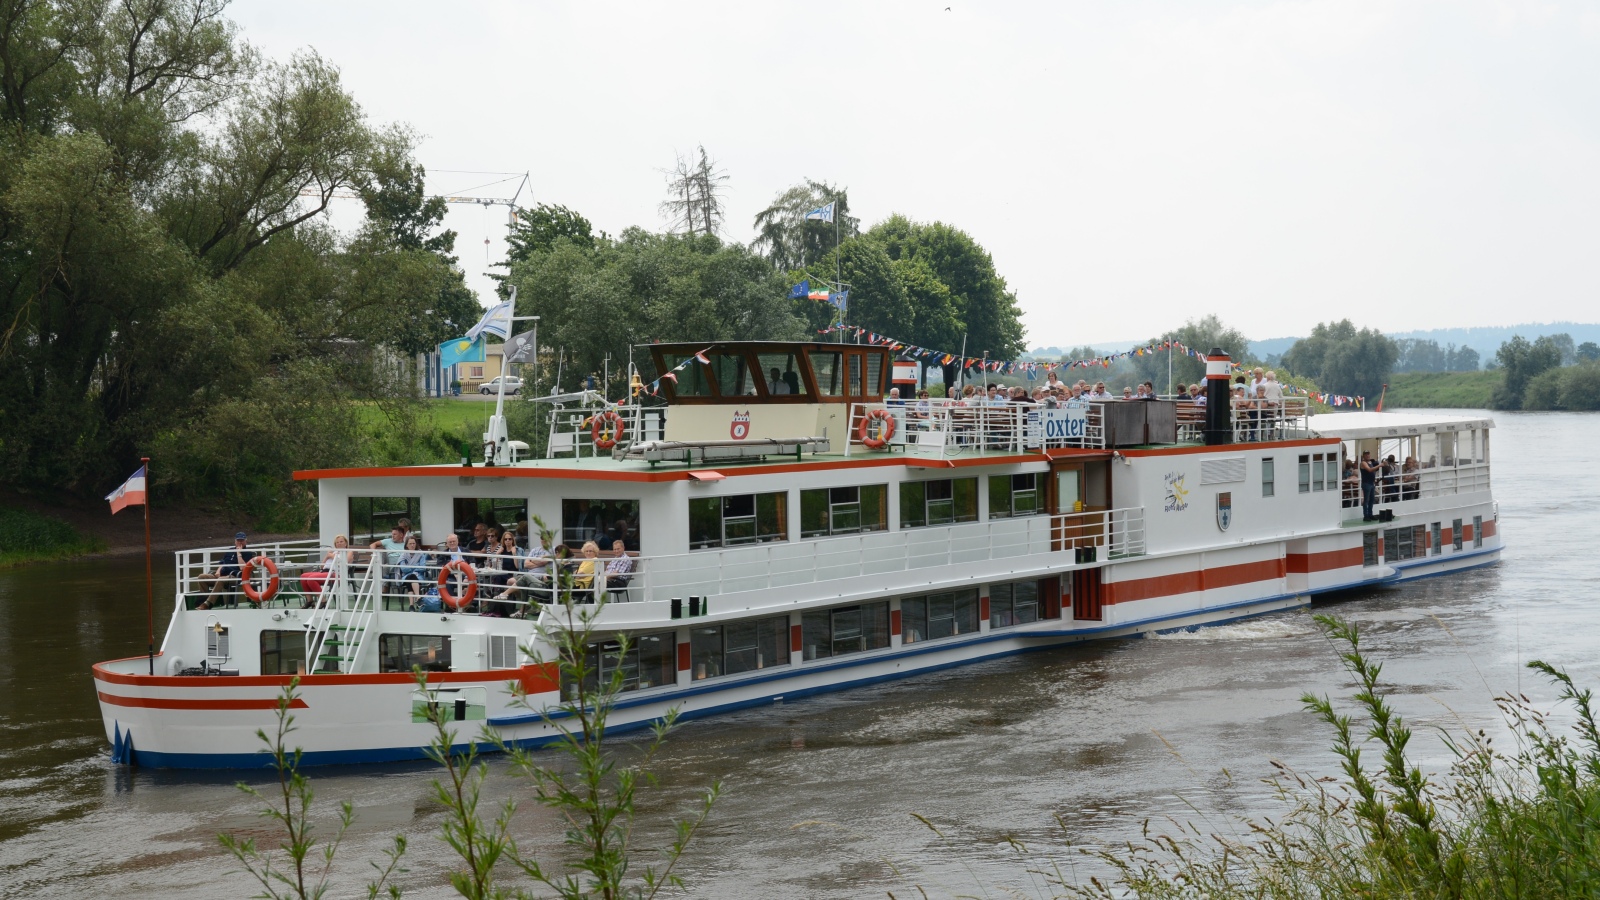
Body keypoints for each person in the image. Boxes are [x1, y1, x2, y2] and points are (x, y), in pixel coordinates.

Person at [196, 532, 258, 609]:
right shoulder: (229, 551)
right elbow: (223, 562)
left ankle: (208, 604)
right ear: (235, 541)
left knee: (221, 580)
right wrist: (218, 571)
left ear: (246, 541)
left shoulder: (248, 553)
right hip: (222, 574)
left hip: (235, 576)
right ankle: (203, 601)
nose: (240, 542)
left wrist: (239, 553)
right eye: (238, 540)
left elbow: (242, 568)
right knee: (202, 577)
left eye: (242, 540)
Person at [396, 534, 431, 605]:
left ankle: (411, 605)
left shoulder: (420, 554)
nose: (412, 545)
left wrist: (409, 567)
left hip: (418, 577)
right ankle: (418, 598)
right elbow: (403, 569)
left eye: (413, 543)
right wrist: (416, 566)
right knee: (411, 577)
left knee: (411, 579)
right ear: (406, 545)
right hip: (406, 576)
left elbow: (423, 568)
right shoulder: (403, 555)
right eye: (410, 543)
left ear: (416, 544)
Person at [1359, 450, 1380, 521]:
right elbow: (1370, 470)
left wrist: (1374, 480)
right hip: (1366, 484)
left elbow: (1372, 473)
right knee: (1366, 500)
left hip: (1371, 483)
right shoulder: (1363, 463)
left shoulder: (1370, 462)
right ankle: (1366, 515)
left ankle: (1370, 514)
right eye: (1366, 454)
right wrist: (1380, 465)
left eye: (1368, 454)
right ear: (1364, 456)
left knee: (1371, 499)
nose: (1367, 455)